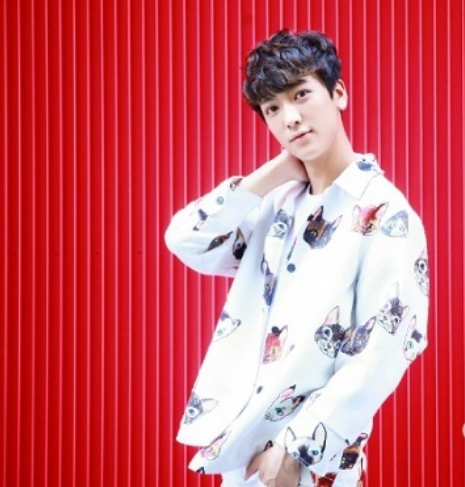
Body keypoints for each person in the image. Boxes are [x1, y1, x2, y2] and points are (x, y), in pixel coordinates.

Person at [165, 29, 429, 487]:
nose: (290, 118)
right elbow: (187, 240)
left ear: (338, 93)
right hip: (242, 455)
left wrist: (293, 449)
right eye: (272, 108)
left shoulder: (385, 213)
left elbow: (385, 347)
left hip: (308, 463)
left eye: (301, 94)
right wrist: (269, 175)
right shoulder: (275, 205)